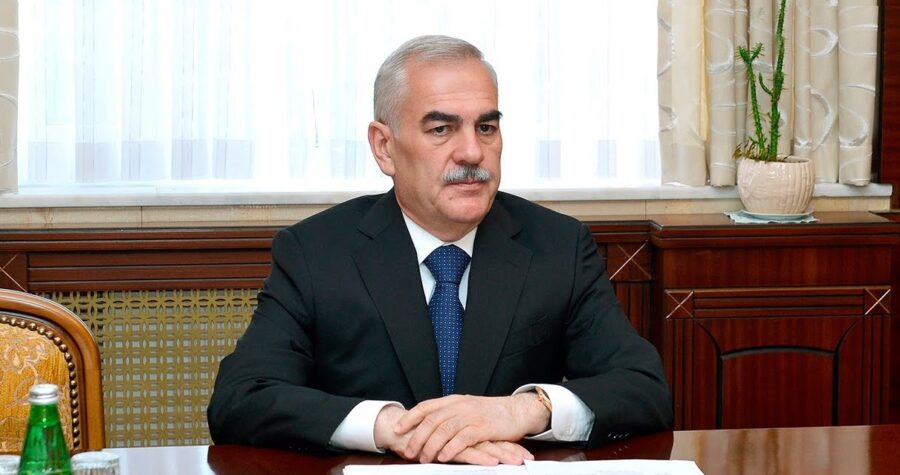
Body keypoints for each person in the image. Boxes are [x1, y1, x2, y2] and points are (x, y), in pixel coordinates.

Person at [207, 34, 673, 466]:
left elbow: (643, 390)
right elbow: (241, 399)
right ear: (384, 147)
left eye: (486, 127)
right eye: (441, 129)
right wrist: (389, 426)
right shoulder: (317, 252)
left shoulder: (558, 246)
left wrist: (523, 410)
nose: (472, 152)